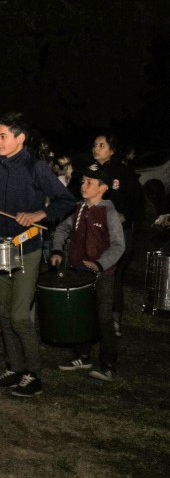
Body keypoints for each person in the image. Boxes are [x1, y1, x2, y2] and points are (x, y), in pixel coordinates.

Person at [0, 112, 76, 397]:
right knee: (2, 313)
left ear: (20, 138)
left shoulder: (36, 168)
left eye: (3, 136)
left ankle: (33, 374)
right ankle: (14, 368)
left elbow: (67, 201)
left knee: (19, 316)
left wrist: (40, 213)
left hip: (26, 248)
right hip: (0, 247)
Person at [52, 166, 125, 381]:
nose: (83, 186)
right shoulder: (79, 208)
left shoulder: (109, 212)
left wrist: (100, 264)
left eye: (89, 182)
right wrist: (57, 250)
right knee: (81, 315)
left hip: (102, 275)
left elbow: (118, 245)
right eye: (82, 181)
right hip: (78, 271)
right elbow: (62, 229)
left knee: (103, 318)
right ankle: (82, 355)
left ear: (102, 188)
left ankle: (108, 364)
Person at [90, 133, 144, 337]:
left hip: (119, 233)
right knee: (97, 274)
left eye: (101, 145)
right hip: (97, 231)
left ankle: (114, 320)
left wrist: (125, 215)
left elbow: (138, 201)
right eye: (94, 144)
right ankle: (97, 319)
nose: (96, 148)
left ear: (111, 150)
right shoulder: (91, 170)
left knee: (113, 275)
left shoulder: (122, 171)